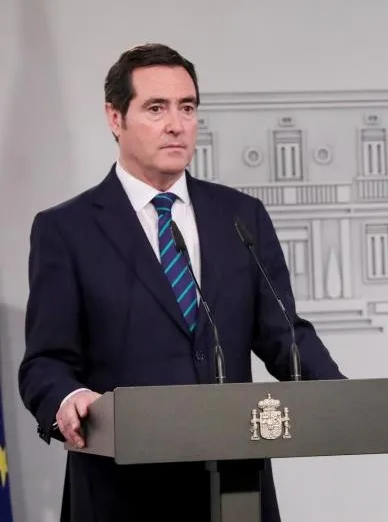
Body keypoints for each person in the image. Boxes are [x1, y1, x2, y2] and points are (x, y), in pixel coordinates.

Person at [18, 43, 346, 522]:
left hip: (233, 490)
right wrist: (70, 399)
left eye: (187, 107)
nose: (176, 124)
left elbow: (284, 335)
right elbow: (45, 362)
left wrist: (339, 396)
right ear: (115, 117)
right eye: (156, 108)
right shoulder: (67, 230)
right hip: (120, 491)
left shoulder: (240, 216)